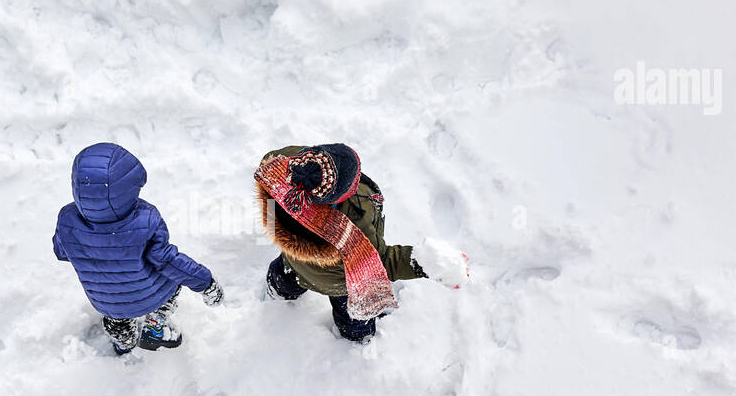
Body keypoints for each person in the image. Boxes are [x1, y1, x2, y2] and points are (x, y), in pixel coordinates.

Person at [255, 143, 464, 342]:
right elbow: (384, 262)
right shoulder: (351, 232)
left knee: (284, 278)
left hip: (294, 265)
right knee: (354, 314)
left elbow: (271, 158)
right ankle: (356, 338)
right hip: (341, 285)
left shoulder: (278, 177)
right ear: (337, 199)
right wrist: (428, 263)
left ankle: (276, 292)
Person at [54, 142, 224, 355]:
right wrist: (204, 282)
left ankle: (123, 338)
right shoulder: (145, 219)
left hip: (107, 301)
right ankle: (155, 326)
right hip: (153, 294)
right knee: (168, 293)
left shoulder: (67, 220)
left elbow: (61, 252)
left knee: (117, 317)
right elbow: (168, 261)